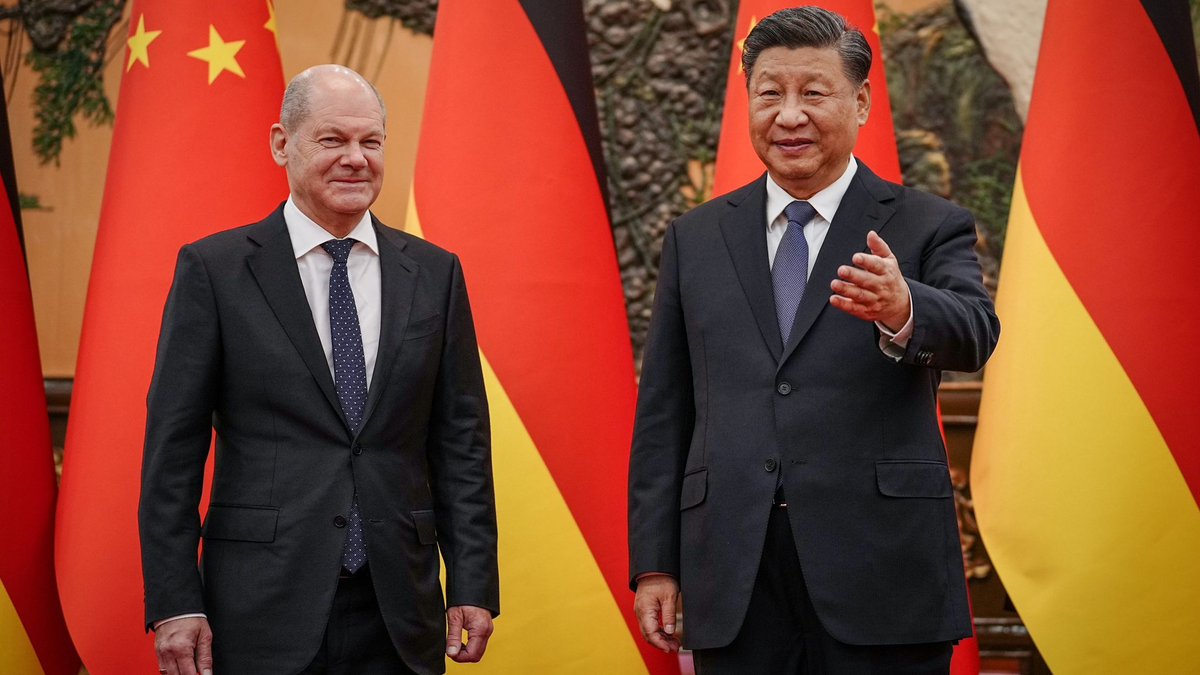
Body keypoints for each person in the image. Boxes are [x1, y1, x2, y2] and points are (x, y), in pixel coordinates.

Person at [627, 7, 999, 674]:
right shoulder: (697, 236)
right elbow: (666, 407)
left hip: (881, 573)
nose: (789, 114)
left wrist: (904, 305)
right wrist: (656, 561)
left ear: (860, 103)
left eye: (813, 92)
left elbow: (976, 332)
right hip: (734, 575)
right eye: (770, 92)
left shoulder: (925, 224)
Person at [139, 65, 498, 675]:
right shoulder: (216, 270)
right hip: (259, 608)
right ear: (283, 143)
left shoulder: (436, 273)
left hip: (400, 609)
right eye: (333, 140)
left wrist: (472, 583)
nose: (356, 159)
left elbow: (460, 441)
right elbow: (172, 451)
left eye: (371, 142)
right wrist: (174, 601)